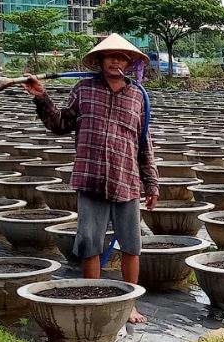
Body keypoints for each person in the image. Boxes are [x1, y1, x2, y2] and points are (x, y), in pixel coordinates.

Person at [22, 33, 159, 325]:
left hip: (126, 181)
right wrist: (41, 97)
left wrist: (152, 183)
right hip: (91, 179)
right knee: (90, 243)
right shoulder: (83, 90)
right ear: (99, 60)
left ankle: (129, 305)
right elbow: (60, 124)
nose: (116, 61)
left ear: (129, 62)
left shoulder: (138, 96)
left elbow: (143, 143)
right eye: (110, 55)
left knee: (132, 245)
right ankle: (94, 298)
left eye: (122, 57)